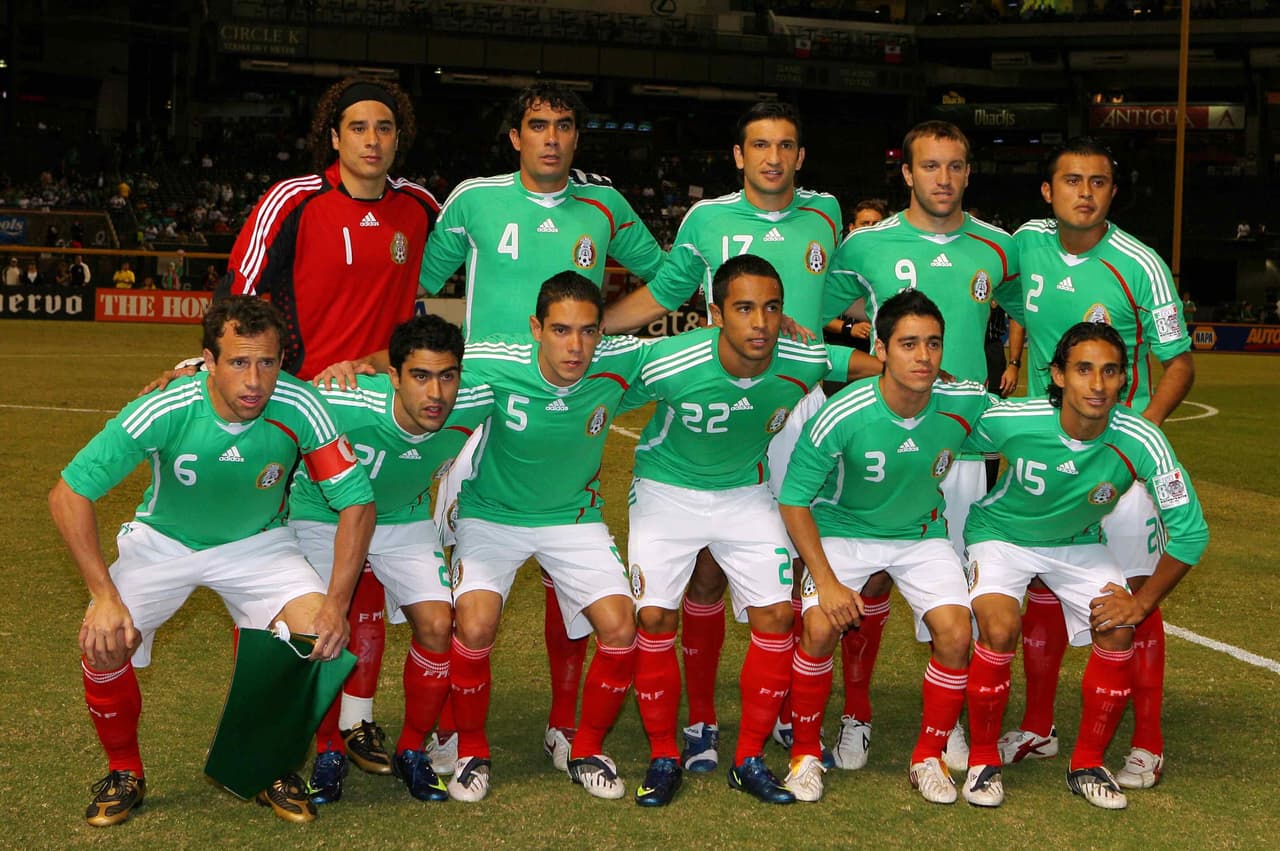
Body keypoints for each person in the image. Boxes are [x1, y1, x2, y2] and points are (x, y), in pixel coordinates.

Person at [602, 101, 877, 772]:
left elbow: (838, 286)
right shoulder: (706, 219)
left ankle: (789, 708)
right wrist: (592, 332)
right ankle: (700, 717)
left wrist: (860, 334)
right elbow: (666, 291)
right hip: (735, 403)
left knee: (805, 563)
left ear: (801, 156)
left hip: (801, 401)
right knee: (705, 570)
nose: (773, 157)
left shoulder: (826, 213)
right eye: (760, 145)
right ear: (739, 155)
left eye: (786, 144)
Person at [48, 297, 376, 827]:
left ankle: (270, 764)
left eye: (267, 362)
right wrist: (105, 597)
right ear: (208, 360)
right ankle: (125, 770)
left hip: (259, 545)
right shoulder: (167, 405)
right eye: (239, 362)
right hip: (164, 542)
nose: (254, 381)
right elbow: (68, 494)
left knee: (317, 634)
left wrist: (338, 603)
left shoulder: (301, 405)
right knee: (102, 640)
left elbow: (357, 502)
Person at [417, 81, 665, 774]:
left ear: (577, 137)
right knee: (456, 587)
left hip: (565, 407)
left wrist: (600, 330)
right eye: (537, 125)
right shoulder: (473, 199)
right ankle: (447, 726)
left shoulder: (604, 205)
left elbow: (668, 277)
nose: (551, 137)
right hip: (478, 411)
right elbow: (425, 284)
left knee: (571, 580)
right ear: (515, 135)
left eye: (563, 125)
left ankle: (566, 725)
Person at [222, 76, 441, 781]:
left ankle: (354, 720)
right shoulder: (296, 200)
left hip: (386, 413)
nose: (372, 140)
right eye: (358, 127)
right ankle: (290, 728)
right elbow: (241, 297)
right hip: (304, 412)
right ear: (334, 135)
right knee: (290, 572)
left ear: (398, 136)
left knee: (365, 559)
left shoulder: (420, 209)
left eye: (385, 127)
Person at [817, 120, 1020, 772]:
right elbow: (805, 312)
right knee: (868, 575)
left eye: (955, 166)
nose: (943, 178)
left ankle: (951, 721)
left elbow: (1034, 310)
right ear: (906, 172)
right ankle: (856, 713)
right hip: (881, 437)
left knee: (953, 590)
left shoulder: (997, 247)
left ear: (968, 172)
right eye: (929, 166)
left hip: (960, 448)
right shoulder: (867, 245)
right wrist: (858, 365)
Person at [1002, 138, 1194, 790]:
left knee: (1132, 594)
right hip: (1041, 457)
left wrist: (1139, 444)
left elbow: (1180, 365)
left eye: (1100, 182)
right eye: (1072, 180)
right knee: (1037, 587)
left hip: (1118, 468)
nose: (1085, 192)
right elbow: (995, 296)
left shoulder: (1140, 266)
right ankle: (1037, 726)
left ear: (1113, 192)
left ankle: (1147, 741)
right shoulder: (1024, 244)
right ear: (1047, 191)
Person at [961, 322, 1208, 810]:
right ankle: (983, 760)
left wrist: (1140, 603)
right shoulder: (1013, 418)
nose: (1097, 385)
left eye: (1110, 372)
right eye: (1084, 370)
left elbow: (1192, 532)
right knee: (999, 626)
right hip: (1001, 538)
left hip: (1078, 542)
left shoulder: (1143, 439)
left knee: (1118, 627)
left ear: (1124, 380)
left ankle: (1088, 763)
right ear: (1057, 375)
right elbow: (948, 439)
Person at [625, 255, 830, 807]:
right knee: (653, 616)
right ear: (716, 313)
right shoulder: (668, 359)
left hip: (744, 491)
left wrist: (902, 366)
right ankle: (665, 754)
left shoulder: (799, 360)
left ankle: (747, 759)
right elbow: (597, 381)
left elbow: (847, 361)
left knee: (777, 615)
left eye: (771, 308)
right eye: (744, 308)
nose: (760, 322)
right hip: (665, 490)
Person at [778, 290, 990, 805]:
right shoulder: (841, 413)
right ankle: (806, 753)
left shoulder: (964, 403)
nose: (923, 357)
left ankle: (928, 757)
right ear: (882, 347)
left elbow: (1027, 429)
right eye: (909, 344)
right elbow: (793, 500)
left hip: (920, 536)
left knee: (957, 633)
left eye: (933, 344)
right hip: (844, 531)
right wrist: (825, 581)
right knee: (820, 624)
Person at [445, 272, 650, 803]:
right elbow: (419, 360)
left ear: (601, 332)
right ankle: (470, 749)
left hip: (573, 518)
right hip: (491, 515)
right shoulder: (493, 359)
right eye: (560, 330)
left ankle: (584, 748)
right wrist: (356, 366)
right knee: (474, 623)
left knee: (622, 626)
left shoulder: (620, 364)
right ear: (536, 328)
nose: (575, 346)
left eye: (587, 331)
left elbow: (704, 353)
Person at [292, 315, 491, 806]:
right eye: (421, 376)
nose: (437, 393)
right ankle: (329, 750)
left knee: (439, 624)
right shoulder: (343, 400)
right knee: (320, 629)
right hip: (323, 513)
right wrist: (187, 369)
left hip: (401, 518)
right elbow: (267, 394)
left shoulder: (474, 402)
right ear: (395, 376)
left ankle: (410, 749)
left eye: (448, 376)